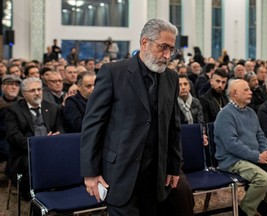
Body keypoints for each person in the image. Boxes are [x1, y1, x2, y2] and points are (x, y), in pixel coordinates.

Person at [80, 18, 182, 216]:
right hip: (120, 172)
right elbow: (93, 125)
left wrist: (174, 166)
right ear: (145, 43)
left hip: (155, 176)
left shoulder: (171, 78)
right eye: (163, 47)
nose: (167, 55)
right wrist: (90, 173)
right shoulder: (113, 72)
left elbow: (173, 126)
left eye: (171, 49)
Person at [214, 79, 267, 216]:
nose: (250, 92)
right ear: (235, 93)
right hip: (232, 160)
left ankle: (263, 204)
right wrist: (258, 157)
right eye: (246, 90)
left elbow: (261, 136)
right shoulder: (225, 115)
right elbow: (232, 145)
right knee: (264, 179)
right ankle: (245, 210)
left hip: (253, 157)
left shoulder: (251, 112)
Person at [5, 77, 64, 200]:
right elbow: (13, 136)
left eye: (39, 89)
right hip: (25, 152)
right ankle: (34, 195)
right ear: (24, 94)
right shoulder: (13, 110)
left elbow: (60, 128)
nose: (37, 93)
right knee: (31, 163)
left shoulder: (53, 108)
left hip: (51, 148)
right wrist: (37, 145)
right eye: (32, 90)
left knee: (68, 157)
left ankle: (60, 190)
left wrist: (57, 135)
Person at [0, 75, 22, 161]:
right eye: (10, 84)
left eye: (17, 85)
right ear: (3, 87)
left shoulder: (23, 102)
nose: (14, 87)